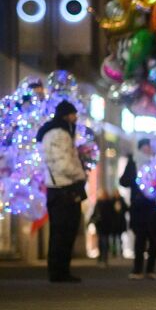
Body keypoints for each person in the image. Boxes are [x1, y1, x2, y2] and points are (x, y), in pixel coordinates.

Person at [37, 100, 87, 283]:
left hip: (58, 188)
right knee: (64, 232)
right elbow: (63, 164)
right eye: (73, 114)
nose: (76, 118)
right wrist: (80, 174)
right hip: (64, 188)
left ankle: (59, 271)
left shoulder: (58, 132)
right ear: (66, 115)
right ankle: (59, 271)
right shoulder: (59, 134)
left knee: (60, 232)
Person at [120, 138, 156, 280]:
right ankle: (137, 269)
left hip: (155, 206)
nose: (148, 149)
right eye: (145, 147)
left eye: (150, 146)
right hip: (139, 206)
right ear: (140, 148)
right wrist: (136, 179)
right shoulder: (134, 162)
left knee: (155, 238)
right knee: (140, 238)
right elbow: (123, 181)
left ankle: (150, 269)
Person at [90, 189, 127, 267]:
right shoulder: (105, 203)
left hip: (105, 226)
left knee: (105, 241)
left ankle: (105, 257)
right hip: (102, 225)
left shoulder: (108, 202)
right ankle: (104, 257)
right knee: (103, 242)